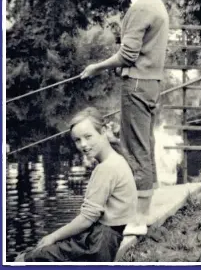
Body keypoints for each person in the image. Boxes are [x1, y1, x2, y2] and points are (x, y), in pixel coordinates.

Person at [81, 0, 169, 235]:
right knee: (144, 143)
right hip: (151, 83)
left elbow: (128, 55)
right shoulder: (154, 3)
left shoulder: (142, 6)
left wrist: (97, 67)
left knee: (134, 148)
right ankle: (142, 209)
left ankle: (139, 218)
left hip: (138, 84)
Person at [16, 107, 137, 262]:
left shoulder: (106, 168)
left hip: (99, 245)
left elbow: (86, 219)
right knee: (46, 249)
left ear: (104, 130)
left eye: (88, 136)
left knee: (27, 259)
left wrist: (52, 236)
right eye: (77, 140)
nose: (83, 145)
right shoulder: (117, 159)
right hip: (107, 236)